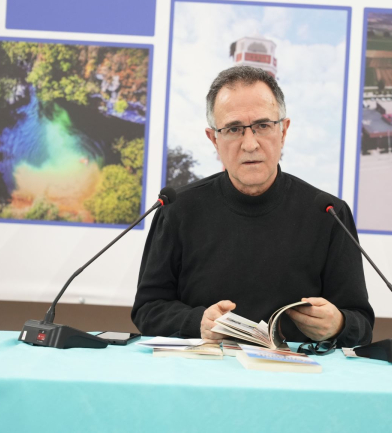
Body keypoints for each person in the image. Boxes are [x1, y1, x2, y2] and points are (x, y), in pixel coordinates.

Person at [132, 66, 373, 347]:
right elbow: (147, 310)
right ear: (214, 139)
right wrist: (197, 322)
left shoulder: (329, 213)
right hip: (205, 368)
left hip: (294, 371)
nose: (250, 144)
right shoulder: (177, 209)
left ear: (283, 131)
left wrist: (338, 324)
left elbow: (361, 323)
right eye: (233, 129)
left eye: (263, 125)